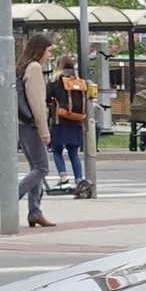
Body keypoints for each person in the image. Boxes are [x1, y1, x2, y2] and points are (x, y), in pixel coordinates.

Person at [16, 30, 55, 228]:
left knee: (35, 168)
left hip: (22, 124)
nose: (50, 55)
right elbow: (37, 102)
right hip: (32, 125)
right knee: (42, 168)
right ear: (40, 50)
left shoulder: (23, 66)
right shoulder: (34, 68)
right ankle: (11, 197)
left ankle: (35, 212)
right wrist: (44, 130)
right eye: (48, 51)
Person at [49, 53, 90, 189]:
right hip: (77, 121)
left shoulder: (55, 79)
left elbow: (47, 97)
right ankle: (79, 179)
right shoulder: (79, 81)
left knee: (57, 150)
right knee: (74, 153)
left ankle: (64, 177)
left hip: (60, 120)